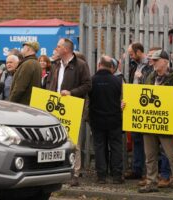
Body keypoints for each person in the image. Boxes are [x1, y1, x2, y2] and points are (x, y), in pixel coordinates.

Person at [138, 49, 173, 195]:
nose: (152, 63)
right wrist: (127, 104)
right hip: (149, 122)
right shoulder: (150, 76)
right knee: (150, 154)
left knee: (171, 154)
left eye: (156, 60)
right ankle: (151, 182)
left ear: (165, 61)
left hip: (165, 122)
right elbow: (142, 95)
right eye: (152, 60)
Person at [46, 38, 92, 186]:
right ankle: (56, 170)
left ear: (66, 49)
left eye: (58, 46)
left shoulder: (80, 65)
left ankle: (74, 173)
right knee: (54, 140)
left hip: (73, 108)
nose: (56, 48)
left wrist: (71, 93)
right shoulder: (55, 65)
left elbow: (87, 85)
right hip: (55, 106)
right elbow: (49, 83)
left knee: (73, 142)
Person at [89, 55, 123, 184]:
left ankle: (101, 176)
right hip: (114, 119)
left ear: (99, 65)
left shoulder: (92, 81)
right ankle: (117, 176)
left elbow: (88, 100)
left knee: (99, 147)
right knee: (116, 146)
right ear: (112, 67)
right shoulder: (117, 81)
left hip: (97, 120)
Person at [125, 42, 153, 180]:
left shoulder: (150, 65)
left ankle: (149, 172)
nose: (130, 57)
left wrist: (141, 77)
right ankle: (137, 169)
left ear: (138, 52)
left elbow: (152, 85)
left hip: (147, 106)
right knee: (136, 138)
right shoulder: (133, 65)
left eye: (131, 54)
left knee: (148, 140)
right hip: (135, 105)